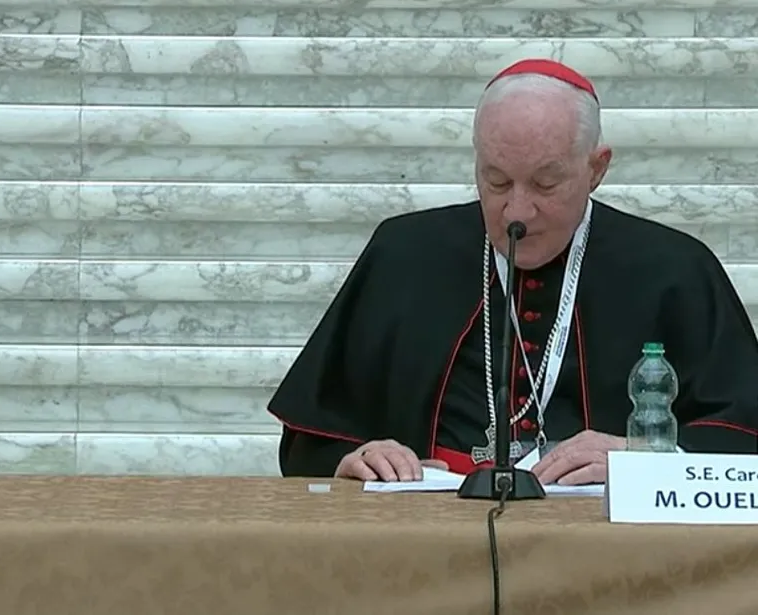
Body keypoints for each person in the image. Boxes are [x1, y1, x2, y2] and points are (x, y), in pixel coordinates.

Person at [267, 59, 758, 486]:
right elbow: (314, 436)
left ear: (596, 169)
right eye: (497, 181)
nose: (517, 212)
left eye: (546, 183)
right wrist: (357, 459)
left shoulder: (673, 268)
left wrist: (647, 460)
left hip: (605, 540)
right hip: (425, 533)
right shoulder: (404, 255)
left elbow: (742, 436)